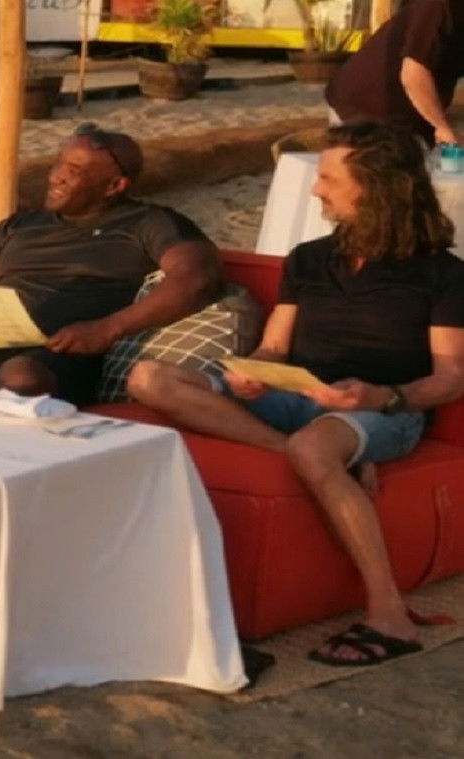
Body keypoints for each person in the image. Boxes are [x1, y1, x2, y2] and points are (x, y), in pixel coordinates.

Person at [128, 122, 464, 666]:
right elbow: (274, 347)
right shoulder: (309, 258)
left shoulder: (443, 274)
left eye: (329, 178)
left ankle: (390, 614)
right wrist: (255, 372)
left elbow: (451, 378)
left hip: (385, 410)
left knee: (316, 445)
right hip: (295, 397)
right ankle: (308, 453)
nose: (315, 189)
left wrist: (384, 398)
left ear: (377, 187)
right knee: (149, 379)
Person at [0, 123, 222, 406]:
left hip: (61, 353)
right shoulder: (20, 225)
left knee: (21, 381)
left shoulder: (148, 223)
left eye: (74, 171)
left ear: (114, 186)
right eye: (58, 164)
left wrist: (107, 329)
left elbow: (196, 278)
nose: (56, 177)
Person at [325, 0, 462, 146]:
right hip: (366, 109)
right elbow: (414, 74)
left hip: (407, 117)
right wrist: (442, 126)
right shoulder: (436, 6)